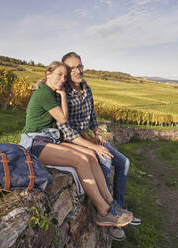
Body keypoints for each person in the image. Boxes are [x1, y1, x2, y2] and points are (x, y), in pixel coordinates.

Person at [20, 61, 133, 228]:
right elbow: (63, 118)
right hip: (35, 143)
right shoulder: (44, 93)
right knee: (80, 161)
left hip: (49, 139)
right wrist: (64, 95)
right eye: (59, 74)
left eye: (65, 76)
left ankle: (110, 202)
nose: (62, 79)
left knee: (90, 156)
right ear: (48, 73)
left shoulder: (51, 92)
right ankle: (103, 211)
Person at [56, 52, 141, 240]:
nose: (78, 70)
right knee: (103, 160)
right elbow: (64, 128)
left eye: (80, 66)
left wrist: (97, 133)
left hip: (88, 136)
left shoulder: (87, 88)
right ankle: (107, 215)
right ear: (66, 72)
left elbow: (92, 115)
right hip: (73, 140)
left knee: (123, 163)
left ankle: (117, 207)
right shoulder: (63, 93)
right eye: (72, 68)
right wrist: (93, 147)